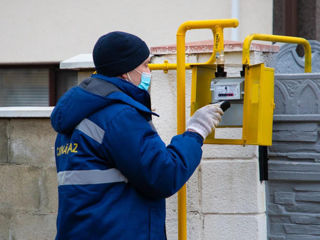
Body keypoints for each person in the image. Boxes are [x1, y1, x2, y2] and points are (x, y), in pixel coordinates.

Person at [51, 31, 224, 240]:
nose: (149, 71)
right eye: (144, 65)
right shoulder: (119, 116)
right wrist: (195, 132)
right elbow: (163, 175)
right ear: (125, 72)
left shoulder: (73, 117)